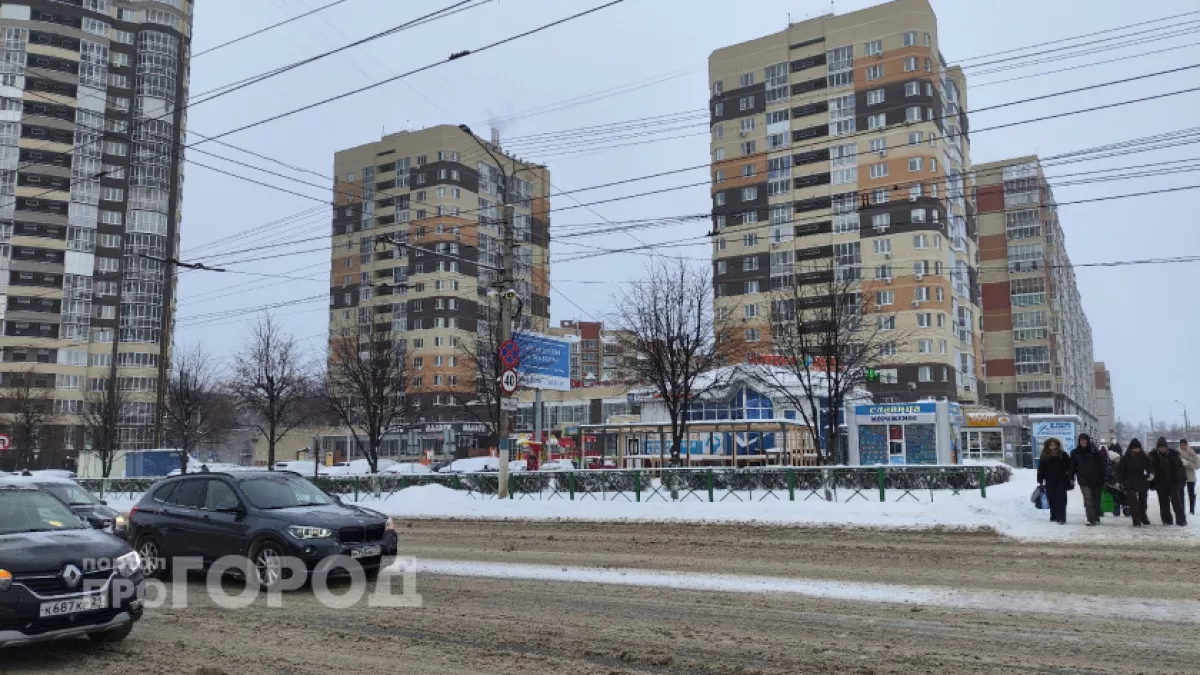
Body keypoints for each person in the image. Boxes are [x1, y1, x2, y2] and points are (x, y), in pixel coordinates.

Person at [1149, 436, 1187, 526]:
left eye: (1164, 447)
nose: (1162, 449)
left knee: (1176, 500)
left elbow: (1181, 468)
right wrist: (1151, 480)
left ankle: (1181, 520)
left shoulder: (1174, 454)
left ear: (1166, 447)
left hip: (1174, 481)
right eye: (1160, 448)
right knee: (1163, 502)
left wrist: (1182, 479)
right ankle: (1167, 520)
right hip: (1160, 482)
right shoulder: (1153, 456)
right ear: (1158, 448)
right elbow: (1150, 468)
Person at [1070, 433, 1106, 526]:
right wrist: (1071, 478)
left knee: (1096, 499)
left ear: (1088, 441)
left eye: (1085, 440)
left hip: (1096, 479)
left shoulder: (1095, 452)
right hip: (1083, 480)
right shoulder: (1075, 452)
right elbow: (1072, 467)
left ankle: (1096, 516)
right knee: (1088, 499)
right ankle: (1090, 519)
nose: (1083, 442)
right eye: (1081, 440)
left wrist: (1103, 478)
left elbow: (1102, 466)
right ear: (1079, 441)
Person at [1037, 438, 1071, 524]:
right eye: (1051, 445)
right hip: (1049, 480)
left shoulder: (1063, 455)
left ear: (1058, 445)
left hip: (1061, 480)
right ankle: (1054, 515)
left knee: (1061, 500)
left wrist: (1069, 477)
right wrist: (1040, 480)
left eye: (1054, 445)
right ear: (1047, 446)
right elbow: (1041, 469)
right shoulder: (1044, 455)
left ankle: (1061, 518)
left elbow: (1069, 467)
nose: (1052, 447)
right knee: (1051, 499)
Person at [1119, 438, 1152, 526]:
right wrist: (1122, 481)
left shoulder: (1143, 456)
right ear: (1131, 448)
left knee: (1143, 501)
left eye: (1138, 448)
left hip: (1142, 480)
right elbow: (1121, 471)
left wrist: (1150, 474)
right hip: (1130, 481)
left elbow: (1150, 466)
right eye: (1135, 448)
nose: (1137, 449)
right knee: (1133, 502)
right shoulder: (1125, 458)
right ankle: (1136, 519)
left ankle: (1143, 516)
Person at [1177, 439, 1198, 516]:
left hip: (1191, 475)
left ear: (1187, 444)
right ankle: (1181, 510)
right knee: (1180, 493)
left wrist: (1188, 464)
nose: (1183, 446)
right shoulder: (1177, 453)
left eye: (1184, 445)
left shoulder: (1192, 452)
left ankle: (1192, 510)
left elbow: (1197, 465)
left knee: (1191, 493)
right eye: (1181, 445)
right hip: (1180, 476)